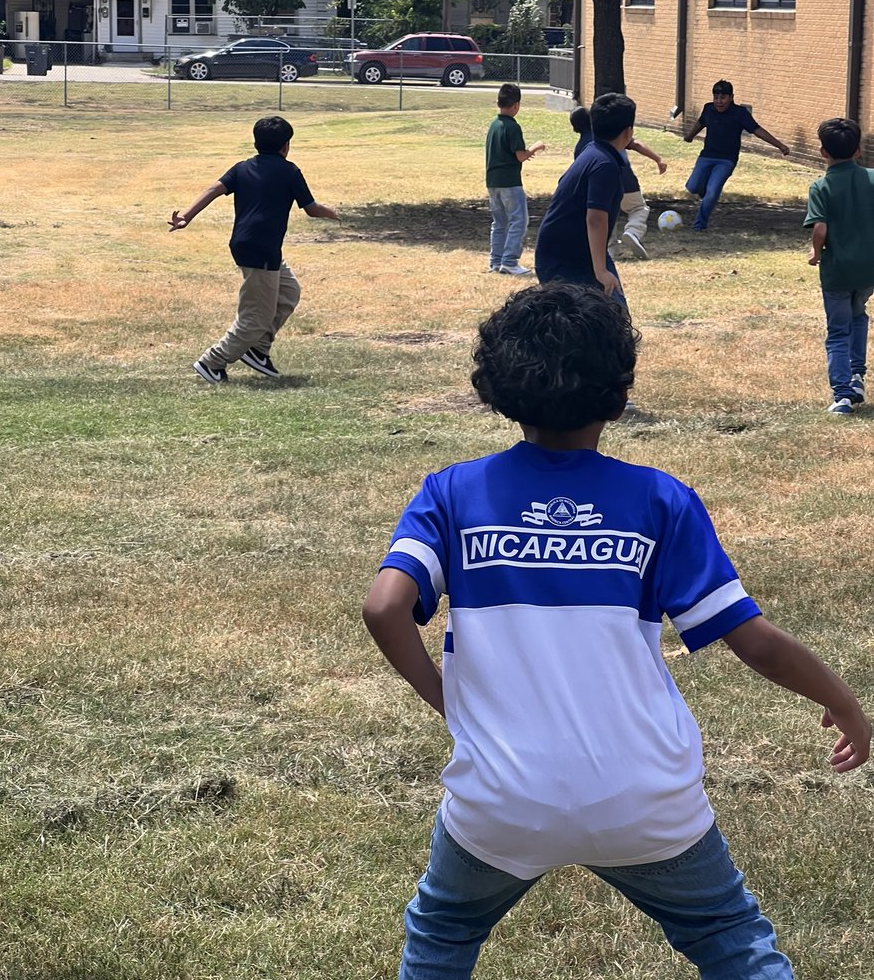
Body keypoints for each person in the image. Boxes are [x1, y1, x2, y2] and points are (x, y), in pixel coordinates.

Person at [363, 282, 870, 980]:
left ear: (496, 387)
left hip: (503, 796)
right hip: (643, 794)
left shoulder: (451, 493)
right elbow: (753, 640)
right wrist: (843, 701)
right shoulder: (659, 500)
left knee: (443, 932)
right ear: (621, 391)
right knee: (729, 935)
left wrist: (450, 701)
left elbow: (384, 608)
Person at [169, 115, 339, 383]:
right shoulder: (290, 171)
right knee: (255, 317)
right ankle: (211, 361)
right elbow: (311, 209)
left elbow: (214, 188)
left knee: (289, 291)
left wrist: (186, 216)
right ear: (285, 146)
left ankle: (258, 349)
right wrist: (332, 213)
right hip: (262, 248)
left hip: (249, 244)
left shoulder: (242, 167)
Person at [535, 93, 635, 304]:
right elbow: (595, 218)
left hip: (577, 251)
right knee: (599, 319)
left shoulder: (593, 152)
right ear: (628, 132)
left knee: (612, 316)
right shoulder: (604, 165)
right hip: (564, 258)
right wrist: (600, 270)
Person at [804, 117, 874, 414]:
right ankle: (858, 374)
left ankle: (843, 393)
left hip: (838, 271)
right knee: (858, 315)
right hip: (869, 268)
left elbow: (820, 229)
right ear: (858, 150)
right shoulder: (872, 177)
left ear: (822, 152)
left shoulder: (821, 186)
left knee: (837, 330)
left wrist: (817, 253)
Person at [683, 80, 790, 230]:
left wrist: (780, 145)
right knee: (693, 187)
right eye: (716, 97)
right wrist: (690, 136)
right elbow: (701, 123)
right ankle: (707, 198)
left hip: (726, 160)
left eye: (723, 97)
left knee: (712, 192)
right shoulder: (708, 108)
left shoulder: (740, 114)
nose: (719, 101)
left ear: (731, 97)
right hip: (706, 156)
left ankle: (699, 226)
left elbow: (758, 130)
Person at [569, 104, 667, 260]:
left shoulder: (580, 148)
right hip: (625, 177)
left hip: (601, 182)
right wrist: (657, 159)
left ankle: (611, 250)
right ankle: (633, 231)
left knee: (606, 213)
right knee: (638, 208)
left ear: (575, 128)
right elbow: (636, 144)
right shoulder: (610, 134)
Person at [485, 83, 545, 276]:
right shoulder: (512, 127)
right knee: (519, 220)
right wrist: (535, 148)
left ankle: (496, 261)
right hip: (510, 181)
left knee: (499, 223)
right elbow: (520, 156)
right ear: (516, 105)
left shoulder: (494, 125)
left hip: (493, 181)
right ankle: (509, 261)